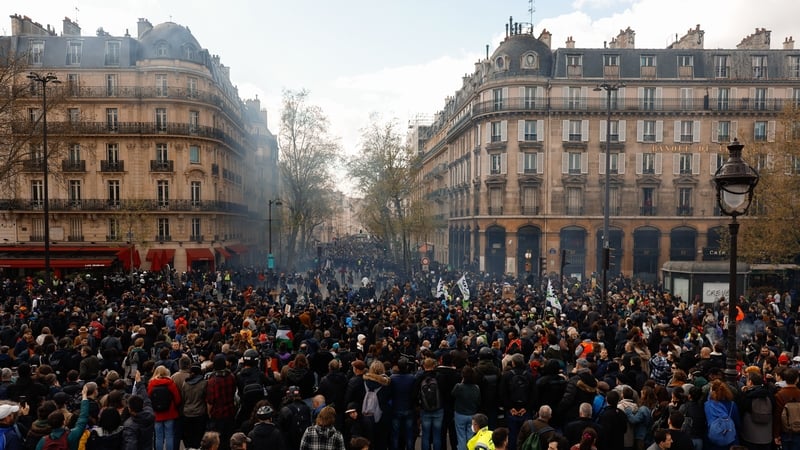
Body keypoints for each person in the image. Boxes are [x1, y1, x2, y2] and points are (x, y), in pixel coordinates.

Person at [34, 384, 91, 450]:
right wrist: (84, 397)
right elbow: (83, 418)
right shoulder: (72, 436)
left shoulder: (43, 441)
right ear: (64, 422)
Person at [206, 355, 236, 450]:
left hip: (217, 414)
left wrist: (209, 413)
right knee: (228, 439)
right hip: (230, 411)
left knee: (218, 441)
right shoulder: (231, 376)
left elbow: (210, 401)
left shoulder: (212, 381)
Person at [148, 365, 181, 450]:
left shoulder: (151, 384)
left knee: (159, 437)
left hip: (157, 414)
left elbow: (148, 399)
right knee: (169, 436)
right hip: (170, 413)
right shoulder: (170, 383)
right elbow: (177, 399)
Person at [415, 357, 444, 450]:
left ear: (424, 366)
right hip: (438, 408)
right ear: (434, 365)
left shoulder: (420, 377)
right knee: (437, 434)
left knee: (426, 435)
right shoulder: (439, 376)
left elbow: (415, 393)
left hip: (424, 408)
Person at [123, 371, 156, 450]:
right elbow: (145, 398)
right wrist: (139, 383)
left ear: (130, 409)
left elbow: (131, 446)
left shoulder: (130, 426)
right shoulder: (149, 414)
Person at [703, 380, 739, 450]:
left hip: (712, 439)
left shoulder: (707, 405)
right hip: (729, 438)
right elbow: (737, 423)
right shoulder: (732, 405)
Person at [453, 366, 482, 450]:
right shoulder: (476, 388)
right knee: (471, 436)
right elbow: (478, 401)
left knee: (461, 436)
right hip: (472, 414)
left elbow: (453, 394)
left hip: (460, 413)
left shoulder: (458, 386)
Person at [774, 367, 800, 450]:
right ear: (797, 379)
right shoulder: (799, 393)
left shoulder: (779, 395)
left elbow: (777, 416)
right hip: (798, 430)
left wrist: (776, 435)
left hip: (784, 431)